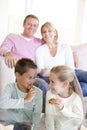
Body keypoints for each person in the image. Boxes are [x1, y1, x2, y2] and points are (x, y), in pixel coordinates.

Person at [0, 14, 50, 111]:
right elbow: (3, 48)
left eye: (35, 25)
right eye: (29, 24)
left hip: (39, 73)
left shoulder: (39, 42)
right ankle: (50, 113)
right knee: (43, 84)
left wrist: (72, 52)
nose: (32, 27)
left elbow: (53, 45)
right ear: (23, 24)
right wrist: (8, 53)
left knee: (62, 79)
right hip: (25, 75)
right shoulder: (12, 37)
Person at [36, 21, 87, 96]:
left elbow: (71, 67)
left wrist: (49, 70)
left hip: (69, 73)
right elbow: (42, 72)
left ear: (55, 33)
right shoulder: (40, 50)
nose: (47, 34)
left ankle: (70, 88)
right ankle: (69, 90)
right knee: (84, 88)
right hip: (52, 78)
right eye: (44, 32)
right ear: (42, 35)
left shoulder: (65, 47)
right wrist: (58, 71)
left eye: (49, 31)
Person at [0, 58, 42, 130]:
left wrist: (35, 128)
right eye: (29, 77)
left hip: (26, 125)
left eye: (34, 77)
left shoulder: (38, 92)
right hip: (9, 123)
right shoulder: (10, 87)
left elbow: (37, 115)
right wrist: (25, 100)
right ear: (18, 75)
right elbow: (2, 104)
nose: (32, 81)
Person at [45, 65, 84, 130]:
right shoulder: (50, 94)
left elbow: (78, 122)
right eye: (49, 81)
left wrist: (63, 109)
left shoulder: (75, 99)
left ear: (65, 84)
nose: (49, 85)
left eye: (52, 82)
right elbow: (49, 119)